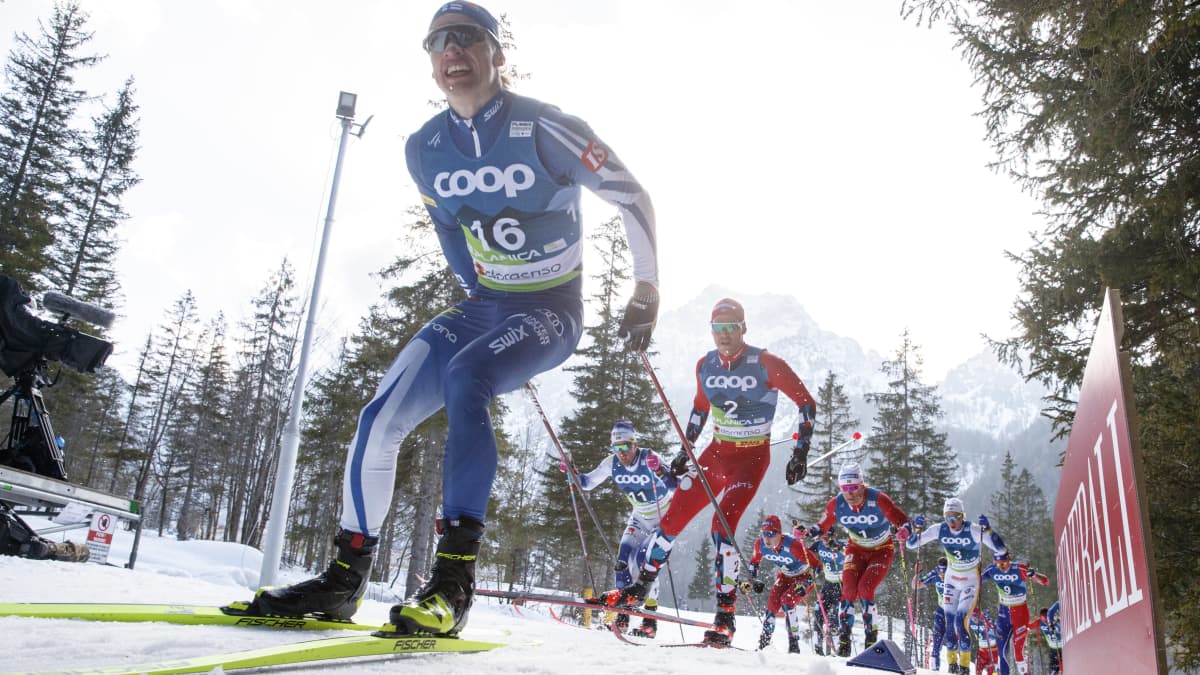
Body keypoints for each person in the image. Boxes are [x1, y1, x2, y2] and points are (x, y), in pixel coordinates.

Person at [245, 1, 659, 638]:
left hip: (550, 309)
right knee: (378, 418)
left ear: (498, 52)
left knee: (469, 374)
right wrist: (476, 290)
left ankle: (452, 583)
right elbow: (446, 226)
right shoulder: (424, 149)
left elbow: (631, 195)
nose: (451, 52)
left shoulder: (548, 127)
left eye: (466, 38)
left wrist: (646, 290)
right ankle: (342, 580)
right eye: (437, 42)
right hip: (485, 306)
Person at [595, 297, 817, 647]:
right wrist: (686, 452)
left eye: (731, 327)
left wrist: (800, 451)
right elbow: (700, 409)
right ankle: (639, 590)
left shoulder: (767, 363)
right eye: (718, 328)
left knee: (721, 526)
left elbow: (806, 401)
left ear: (743, 328)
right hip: (715, 455)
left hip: (751, 458)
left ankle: (725, 618)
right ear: (711, 331)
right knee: (671, 521)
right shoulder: (705, 365)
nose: (725, 335)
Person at [567, 420, 675, 637]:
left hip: (663, 518)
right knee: (623, 561)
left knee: (645, 561)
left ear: (634, 444)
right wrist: (572, 475)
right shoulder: (611, 463)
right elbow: (587, 483)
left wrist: (661, 470)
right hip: (639, 517)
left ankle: (649, 622)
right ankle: (622, 617)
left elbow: (675, 485)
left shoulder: (649, 457)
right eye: (616, 448)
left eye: (625, 446)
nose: (621, 452)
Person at [806, 462, 911, 655]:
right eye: (845, 488)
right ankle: (844, 641)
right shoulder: (837, 503)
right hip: (855, 549)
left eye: (854, 487)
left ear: (862, 485)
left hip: (882, 550)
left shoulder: (879, 499)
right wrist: (807, 532)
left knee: (865, 589)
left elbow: (903, 521)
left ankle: (871, 640)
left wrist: (905, 531)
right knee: (848, 591)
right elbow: (822, 525)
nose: (850, 494)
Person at [906, 498, 1006, 674]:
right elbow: (912, 544)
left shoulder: (973, 530)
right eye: (948, 518)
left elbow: (1001, 550)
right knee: (949, 623)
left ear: (963, 516)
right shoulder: (940, 529)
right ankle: (952, 665)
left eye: (956, 518)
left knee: (961, 620)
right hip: (951, 580)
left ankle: (965, 666)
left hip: (970, 581)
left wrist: (988, 530)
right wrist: (916, 529)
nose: (952, 523)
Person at [741, 515, 822, 654]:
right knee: (772, 603)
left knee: (787, 600)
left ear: (779, 533)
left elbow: (817, 566)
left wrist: (805, 582)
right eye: (764, 533)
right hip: (785, 576)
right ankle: (764, 644)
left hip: (803, 577)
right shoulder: (760, 544)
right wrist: (750, 581)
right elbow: (754, 563)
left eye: (771, 534)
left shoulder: (792, 545)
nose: (767, 538)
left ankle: (794, 646)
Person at [980, 551, 1049, 675]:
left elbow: (1045, 581)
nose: (1002, 567)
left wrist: (1034, 575)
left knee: (1018, 651)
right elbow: (976, 580)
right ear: (994, 562)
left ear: (1009, 560)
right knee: (1002, 652)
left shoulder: (1019, 568)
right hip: (1003, 615)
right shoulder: (991, 569)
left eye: (1004, 563)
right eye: (998, 563)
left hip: (1020, 614)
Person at [806, 522, 845, 656]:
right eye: (823, 538)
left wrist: (838, 547)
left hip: (842, 586)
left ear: (834, 536)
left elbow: (850, 552)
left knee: (835, 617)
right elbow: (805, 553)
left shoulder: (841, 545)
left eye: (828, 538)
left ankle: (837, 648)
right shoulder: (819, 545)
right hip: (828, 585)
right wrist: (813, 570)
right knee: (818, 613)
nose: (825, 541)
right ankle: (818, 646)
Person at [913, 556, 949, 670]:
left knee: (953, 641)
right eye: (941, 573)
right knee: (936, 641)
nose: (942, 576)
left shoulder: (955, 574)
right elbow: (916, 585)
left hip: (955, 612)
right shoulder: (934, 574)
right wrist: (917, 573)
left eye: (945, 574)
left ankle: (955, 670)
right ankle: (934, 669)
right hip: (941, 609)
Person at [1031, 602, 1061, 675]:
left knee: (1061, 666)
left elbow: (1059, 628)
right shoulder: (1039, 622)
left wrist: (1054, 626)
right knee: (1053, 669)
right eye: (1042, 618)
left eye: (1046, 617)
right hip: (1052, 649)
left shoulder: (1054, 620)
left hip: (1061, 647)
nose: (1045, 620)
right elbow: (1029, 626)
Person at [970, 608, 1000, 675]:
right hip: (981, 651)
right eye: (973, 618)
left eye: (976, 618)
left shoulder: (985, 621)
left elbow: (995, 628)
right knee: (978, 667)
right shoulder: (970, 622)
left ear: (979, 617)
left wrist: (988, 621)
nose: (975, 620)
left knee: (991, 670)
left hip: (992, 650)